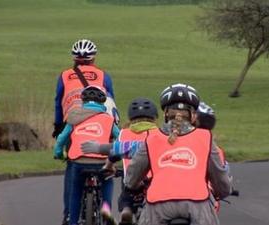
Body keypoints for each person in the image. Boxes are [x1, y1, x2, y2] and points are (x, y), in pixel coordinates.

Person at [81, 83, 231, 225]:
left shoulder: (152, 138)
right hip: (198, 205)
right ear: (192, 115)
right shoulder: (205, 137)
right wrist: (223, 191)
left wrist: (131, 187)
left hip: (158, 206)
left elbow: (133, 176)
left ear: (166, 113)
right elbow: (220, 178)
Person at [52, 39, 117, 225]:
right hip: (103, 121)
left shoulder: (65, 75)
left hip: (72, 122)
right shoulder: (104, 75)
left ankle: (68, 216)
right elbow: (112, 102)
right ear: (93, 58)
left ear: (74, 58)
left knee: (72, 166)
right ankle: (106, 212)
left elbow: (58, 102)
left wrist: (58, 127)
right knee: (107, 173)